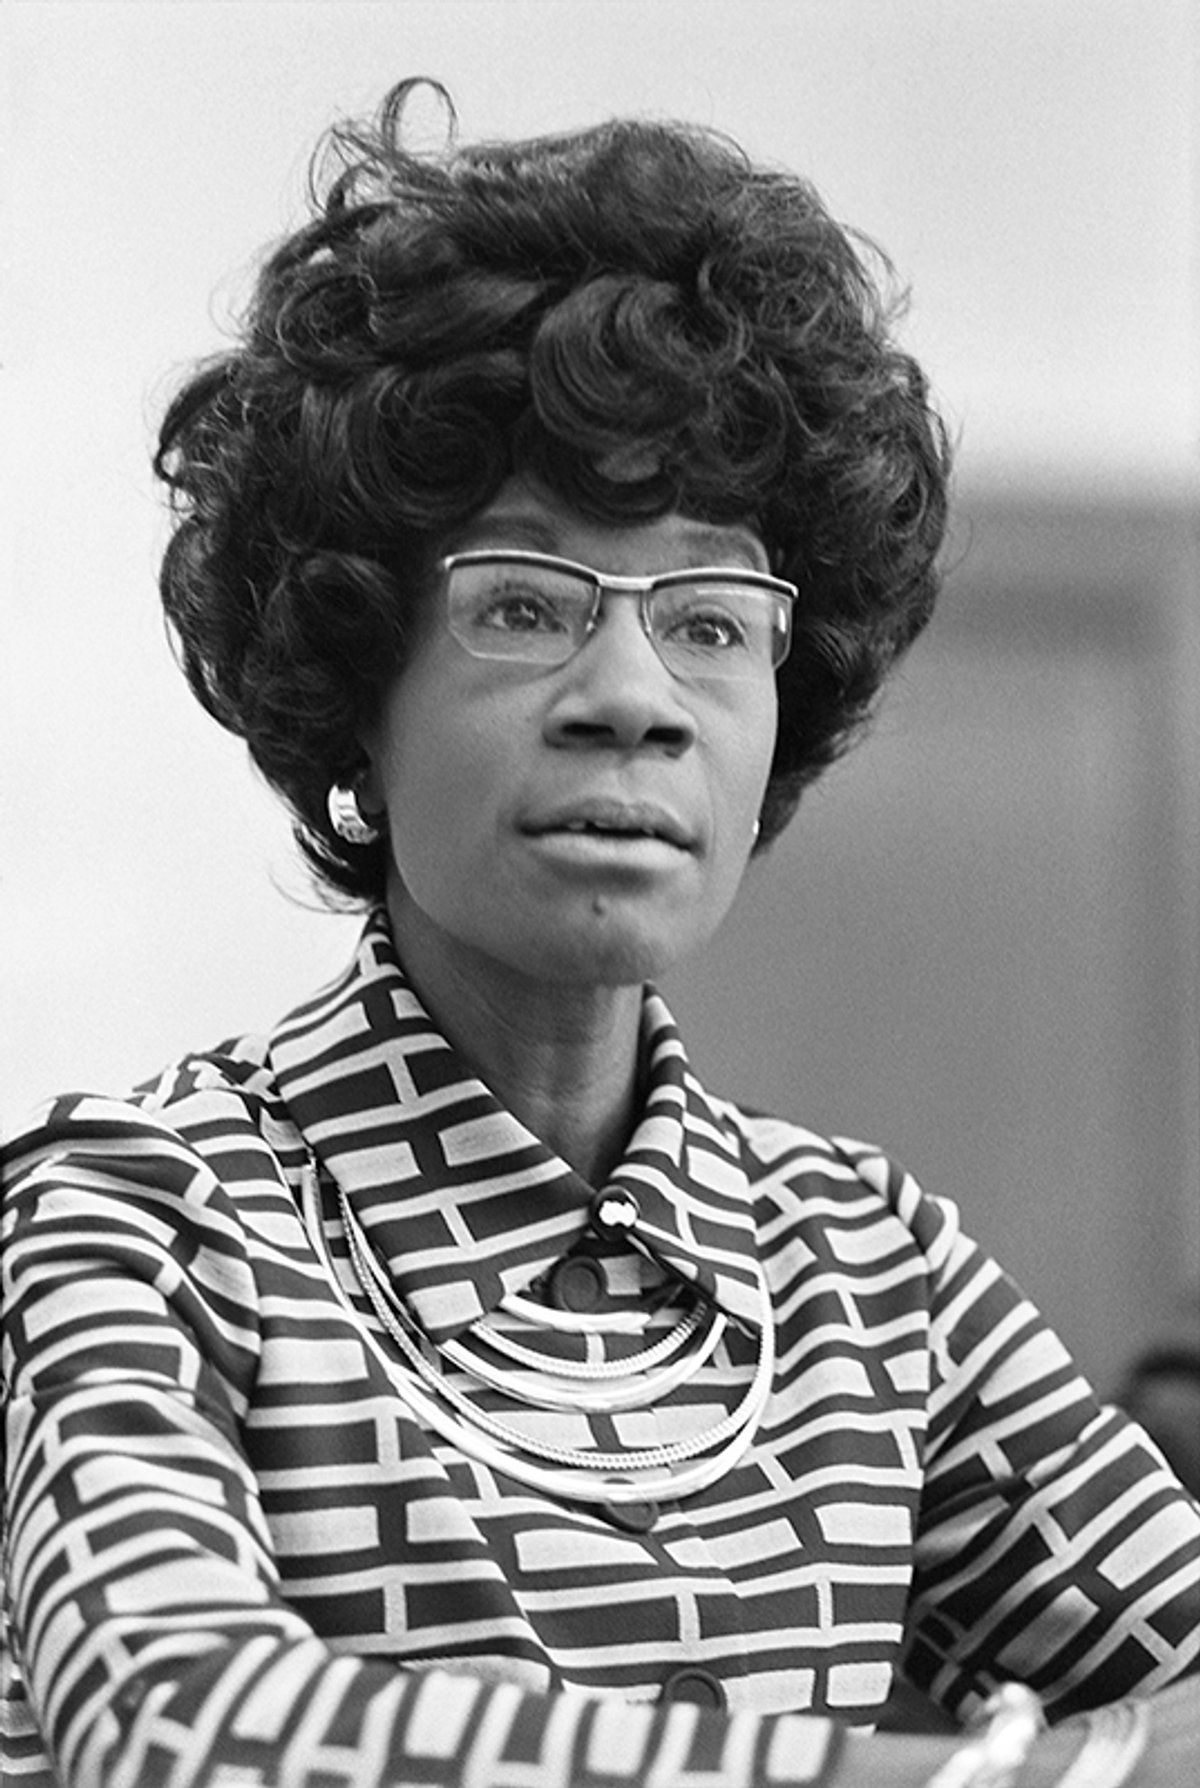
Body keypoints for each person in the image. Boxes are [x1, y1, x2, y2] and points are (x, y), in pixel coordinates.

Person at [3, 78, 1197, 1788]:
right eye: (522, 603)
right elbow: (191, 1724)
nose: (634, 698)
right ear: (356, 682)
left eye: (714, 617)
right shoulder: (137, 1215)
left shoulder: (869, 1270)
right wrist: (974, 1776)